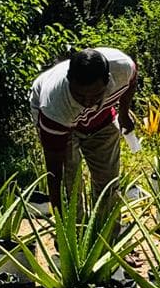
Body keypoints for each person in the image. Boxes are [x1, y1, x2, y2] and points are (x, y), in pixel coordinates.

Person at [30, 47, 137, 208]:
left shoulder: (122, 68)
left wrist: (124, 113)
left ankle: (106, 230)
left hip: (101, 118)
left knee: (108, 182)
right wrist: (57, 208)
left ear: (108, 80)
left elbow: (132, 80)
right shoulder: (54, 105)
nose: (87, 103)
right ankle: (75, 226)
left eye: (95, 95)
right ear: (69, 80)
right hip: (63, 123)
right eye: (80, 95)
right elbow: (54, 166)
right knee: (70, 183)